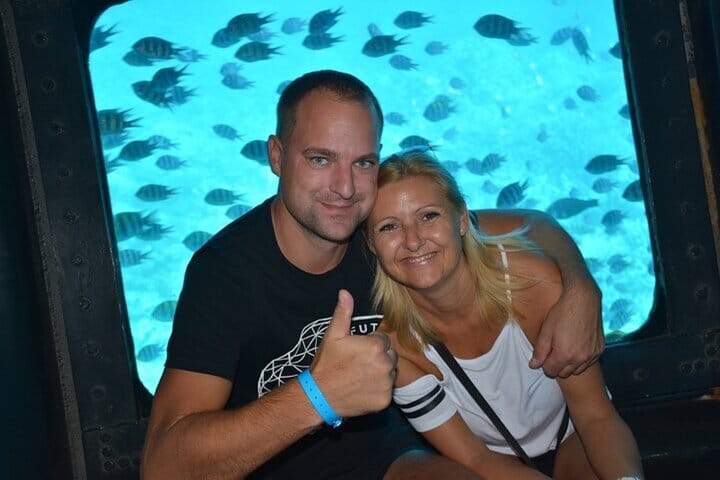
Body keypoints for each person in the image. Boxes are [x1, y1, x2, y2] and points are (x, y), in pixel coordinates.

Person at [141, 70, 604, 479]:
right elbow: (163, 468)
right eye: (320, 159)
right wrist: (318, 396)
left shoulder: (384, 234)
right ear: (277, 156)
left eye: (362, 163)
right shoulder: (225, 273)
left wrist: (582, 287)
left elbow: (531, 224)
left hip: (396, 460)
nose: (345, 188)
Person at [363, 151, 644, 479]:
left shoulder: (533, 283)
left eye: (428, 216)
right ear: (371, 244)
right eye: (389, 227)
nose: (413, 241)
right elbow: (476, 459)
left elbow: (596, 417)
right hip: (492, 463)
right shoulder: (395, 347)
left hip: (573, 436)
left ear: (462, 219)